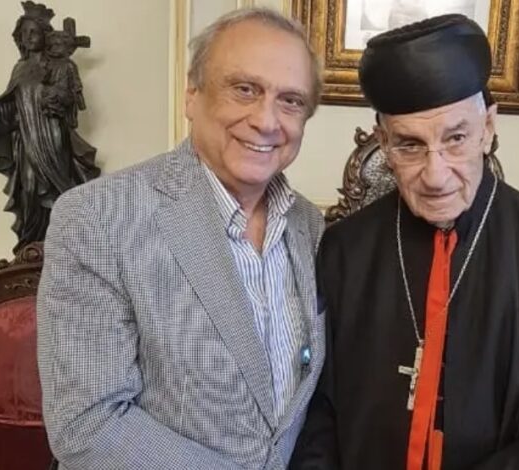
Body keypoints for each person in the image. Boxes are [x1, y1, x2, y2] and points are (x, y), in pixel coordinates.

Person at [291, 14, 519, 470]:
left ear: (488, 128)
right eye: (410, 145)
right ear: (384, 143)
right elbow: (316, 417)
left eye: (456, 139)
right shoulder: (344, 251)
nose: (435, 175)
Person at [37, 8, 325, 470]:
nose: (267, 120)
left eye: (290, 100)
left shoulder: (311, 226)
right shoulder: (97, 217)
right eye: (244, 89)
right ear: (192, 94)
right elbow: (88, 425)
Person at [0, 1, 99, 253]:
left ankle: (62, 245)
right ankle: (31, 246)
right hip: (26, 139)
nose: (29, 37)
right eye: (24, 33)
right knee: (29, 188)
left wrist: (56, 97)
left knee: (56, 187)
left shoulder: (61, 65)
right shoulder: (20, 69)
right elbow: (12, 106)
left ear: (45, 35)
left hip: (52, 135)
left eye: (34, 32)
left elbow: (72, 99)